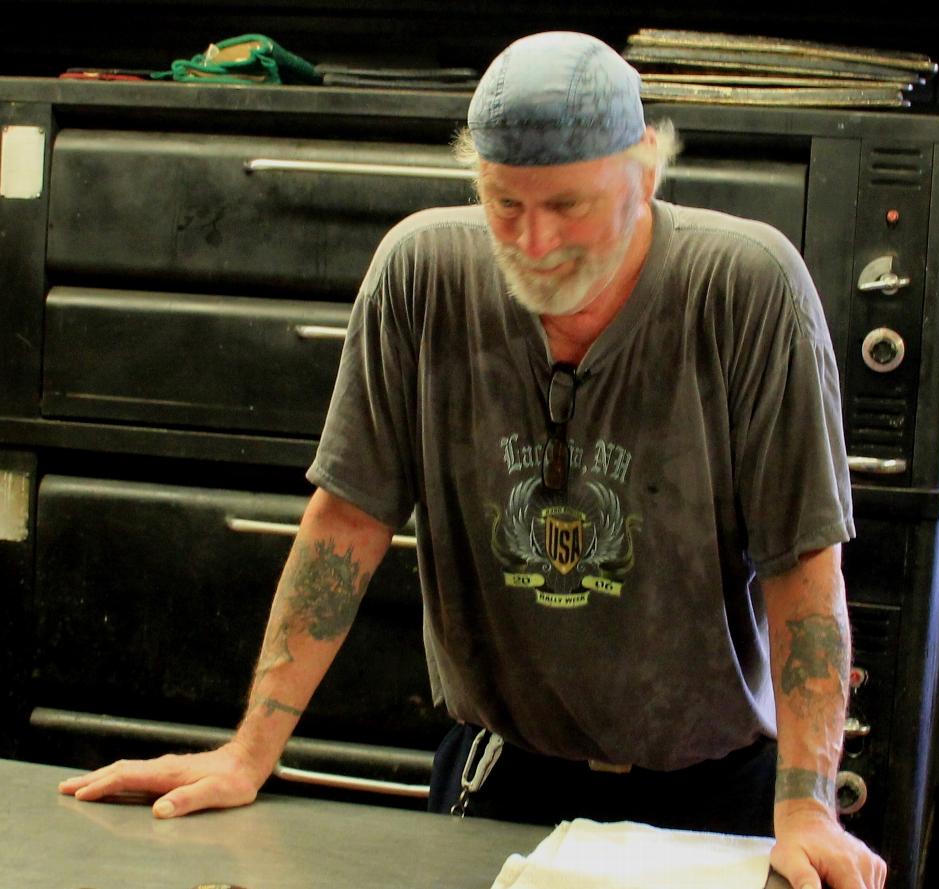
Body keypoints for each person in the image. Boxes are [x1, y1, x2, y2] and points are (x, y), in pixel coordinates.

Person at [59, 31, 886, 889]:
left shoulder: (747, 288)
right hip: (504, 772)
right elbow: (347, 520)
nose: (532, 243)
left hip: (718, 789)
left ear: (645, 172)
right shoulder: (421, 274)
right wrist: (248, 750)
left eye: (568, 206)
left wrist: (806, 806)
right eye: (504, 205)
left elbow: (804, 566)